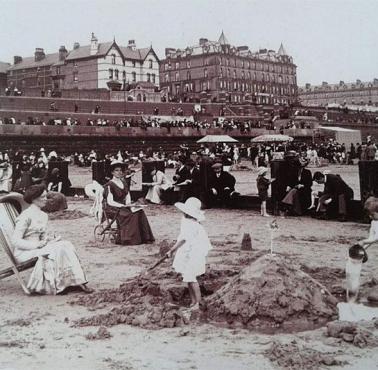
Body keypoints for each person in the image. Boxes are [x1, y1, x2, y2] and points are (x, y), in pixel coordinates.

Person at [11, 184, 93, 294]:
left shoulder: (43, 215)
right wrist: (37, 245)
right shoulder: (25, 216)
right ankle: (61, 284)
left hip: (39, 247)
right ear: (34, 199)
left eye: (46, 196)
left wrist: (49, 239)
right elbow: (15, 241)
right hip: (24, 251)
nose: (46, 199)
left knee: (66, 244)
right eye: (43, 197)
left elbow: (42, 236)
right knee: (58, 249)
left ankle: (76, 281)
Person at [166, 197, 212, 311]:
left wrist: (172, 250)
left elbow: (183, 240)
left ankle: (198, 302)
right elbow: (182, 237)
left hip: (195, 253)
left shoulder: (194, 225)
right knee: (188, 277)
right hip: (188, 251)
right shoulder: (185, 221)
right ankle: (193, 301)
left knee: (192, 277)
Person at [103, 161, 154, 245]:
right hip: (112, 208)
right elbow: (110, 201)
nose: (119, 172)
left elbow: (127, 196)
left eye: (120, 170)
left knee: (139, 211)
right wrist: (123, 205)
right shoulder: (110, 185)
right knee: (130, 215)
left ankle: (144, 237)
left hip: (123, 206)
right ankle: (130, 239)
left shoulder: (124, 182)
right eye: (116, 170)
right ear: (112, 172)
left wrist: (129, 204)